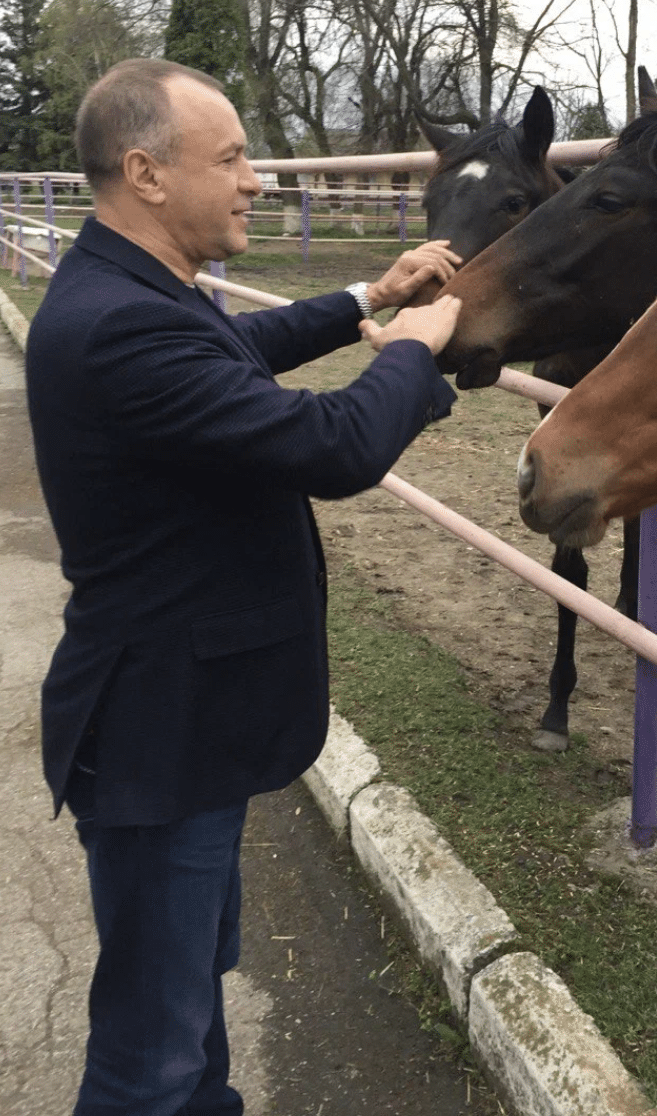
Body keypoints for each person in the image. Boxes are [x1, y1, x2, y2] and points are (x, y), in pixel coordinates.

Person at [24, 57, 463, 1116]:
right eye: (231, 158)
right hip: (158, 738)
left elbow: (235, 344)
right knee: (150, 1056)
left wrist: (369, 293)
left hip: (184, 729)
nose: (257, 179)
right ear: (148, 173)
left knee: (186, 1008)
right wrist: (411, 349)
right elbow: (336, 446)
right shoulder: (120, 324)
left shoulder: (128, 289)